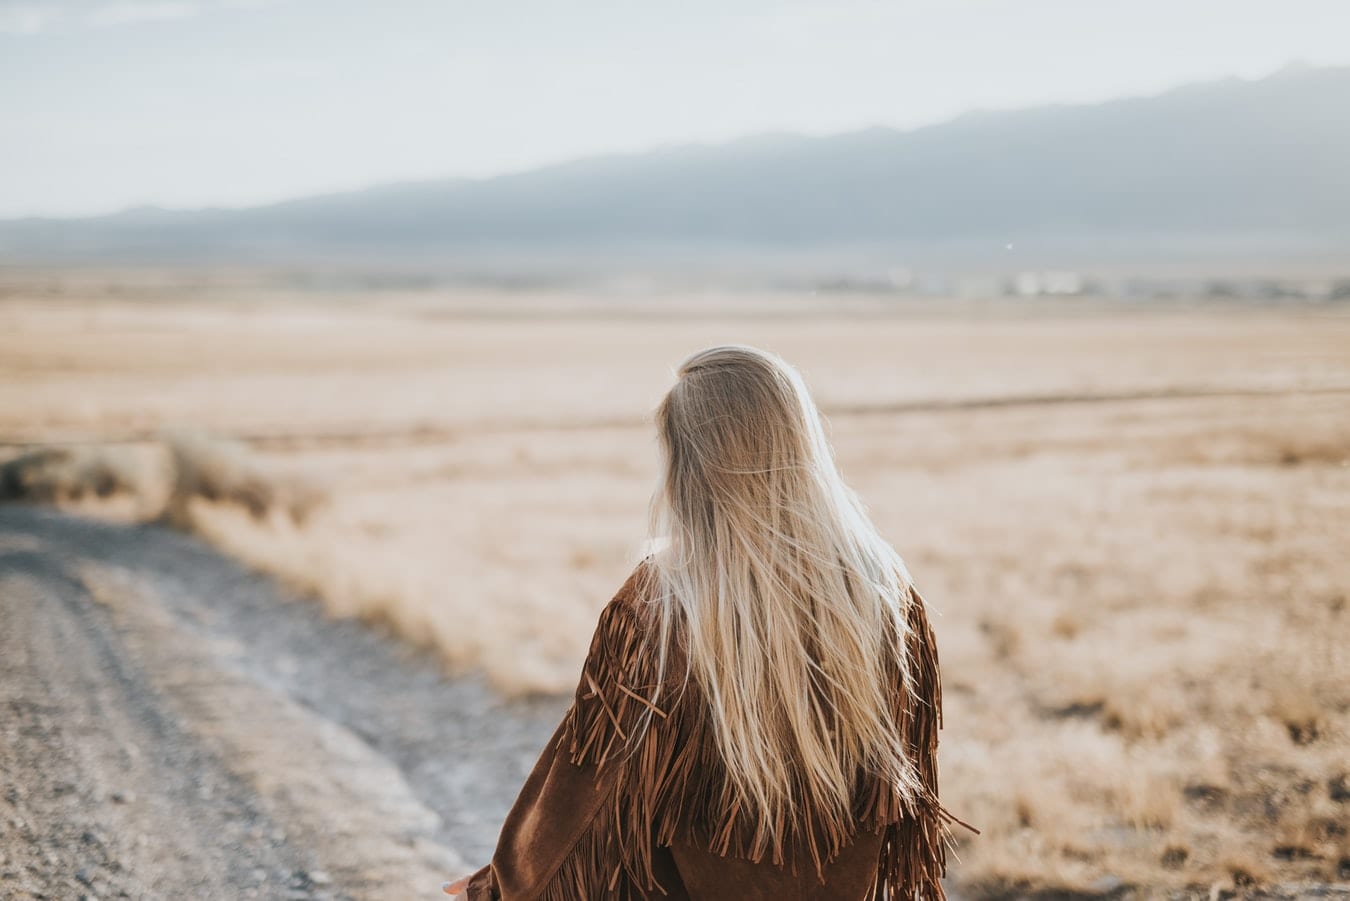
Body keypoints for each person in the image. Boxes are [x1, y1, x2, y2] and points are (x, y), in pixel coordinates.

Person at [444, 344, 973, 900]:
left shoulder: (658, 607)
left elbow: (583, 797)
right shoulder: (886, 596)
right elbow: (906, 798)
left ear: (687, 466)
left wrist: (496, 887)